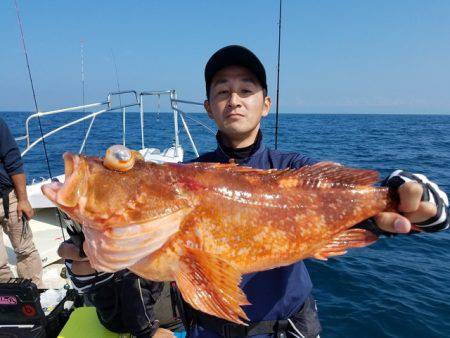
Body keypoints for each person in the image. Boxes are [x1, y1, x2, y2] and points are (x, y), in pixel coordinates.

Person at [172, 45, 450, 338]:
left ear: (266, 105)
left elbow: (436, 216)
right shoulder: (186, 177)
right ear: (208, 107)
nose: (234, 100)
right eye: (222, 92)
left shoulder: (294, 169)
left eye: (246, 90)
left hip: (288, 329)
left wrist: (404, 193)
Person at [57, 214, 181, 338]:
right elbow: (134, 286)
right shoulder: (96, 258)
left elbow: (62, 250)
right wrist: (149, 332)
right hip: (126, 319)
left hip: (110, 313)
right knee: (141, 275)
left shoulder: (85, 249)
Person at [0, 118, 43, 288]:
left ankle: (37, 294)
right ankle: (12, 301)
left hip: (9, 197)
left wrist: (23, 199)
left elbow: (13, 161)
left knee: (25, 251)